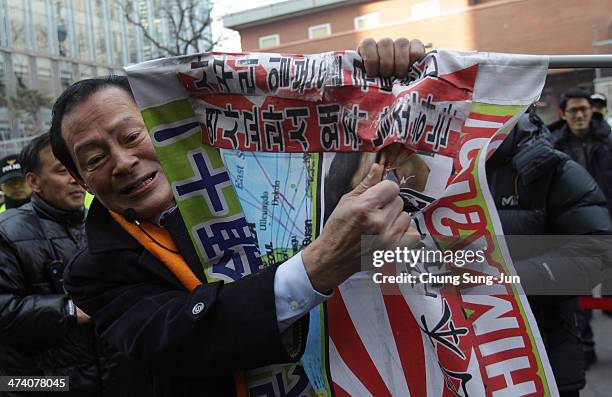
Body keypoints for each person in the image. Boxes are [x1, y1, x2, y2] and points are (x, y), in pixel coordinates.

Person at [49, 38, 423, 396]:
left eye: (131, 136)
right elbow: (175, 339)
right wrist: (318, 266)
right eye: (95, 159)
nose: (123, 162)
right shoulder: (94, 272)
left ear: (162, 129)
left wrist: (389, 77)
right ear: (82, 181)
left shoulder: (263, 181)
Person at [0, 133, 151, 396]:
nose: (75, 179)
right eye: (62, 171)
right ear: (34, 182)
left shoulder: (112, 222)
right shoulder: (7, 232)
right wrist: (69, 310)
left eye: (78, 168)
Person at [488, 112, 612, 396]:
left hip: (542, 355)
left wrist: (510, 279)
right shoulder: (415, 167)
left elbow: (597, 251)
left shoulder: (548, 166)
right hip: (451, 357)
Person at [549, 89, 612, 366]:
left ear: (591, 111)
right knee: (580, 293)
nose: (579, 115)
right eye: (573, 110)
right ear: (564, 114)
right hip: (573, 232)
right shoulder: (552, 146)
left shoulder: (608, 141)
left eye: (583, 109)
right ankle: (586, 346)